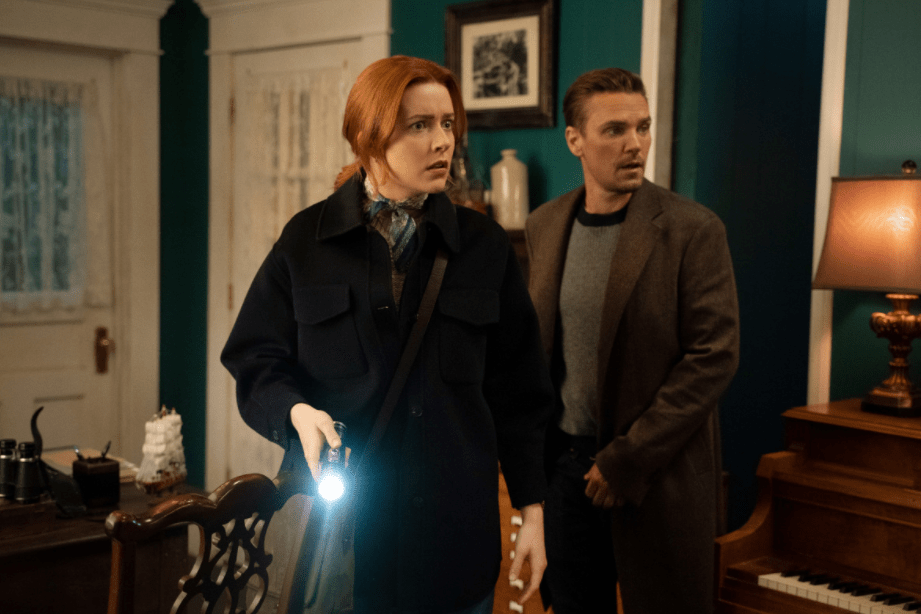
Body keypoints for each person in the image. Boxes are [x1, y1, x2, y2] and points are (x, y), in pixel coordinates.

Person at [221, 55, 553, 614]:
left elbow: (521, 394)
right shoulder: (306, 241)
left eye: (447, 124)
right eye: (419, 125)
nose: (442, 141)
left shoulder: (484, 246)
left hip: (454, 549)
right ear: (370, 136)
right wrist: (296, 413)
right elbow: (254, 357)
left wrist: (533, 512)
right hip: (342, 547)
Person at [525, 68, 740, 613]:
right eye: (615, 130)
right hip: (566, 471)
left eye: (642, 127)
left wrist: (627, 460)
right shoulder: (545, 224)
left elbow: (713, 356)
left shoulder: (693, 229)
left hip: (655, 473)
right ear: (574, 139)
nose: (635, 144)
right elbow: (536, 350)